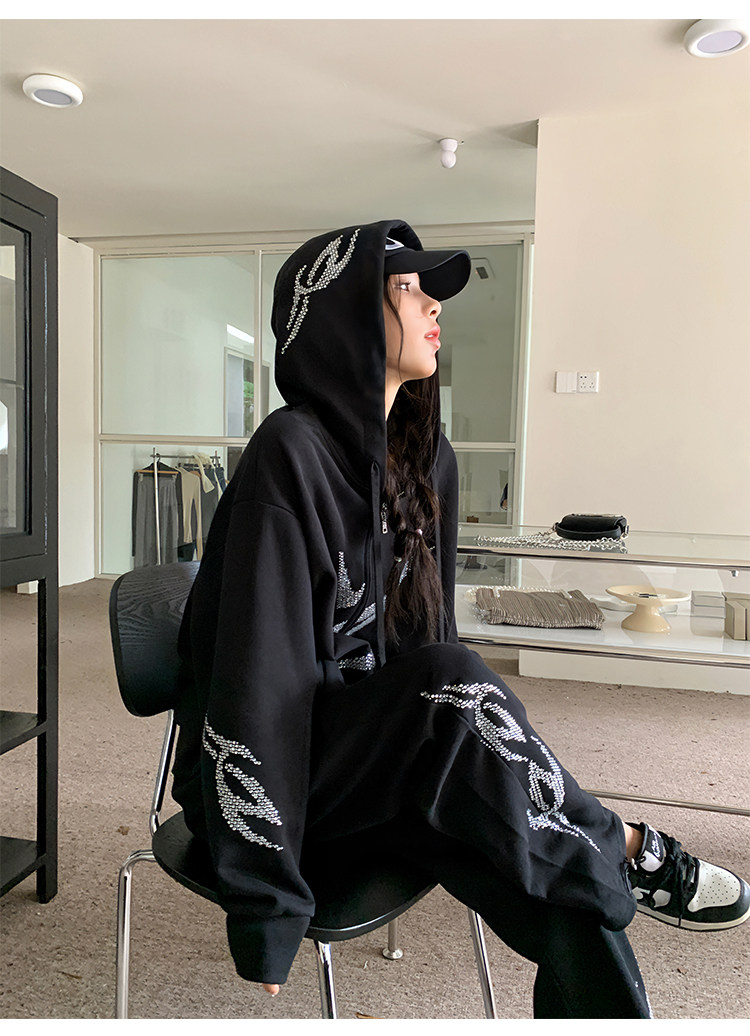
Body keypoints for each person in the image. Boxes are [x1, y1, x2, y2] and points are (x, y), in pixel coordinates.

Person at [172, 219, 749, 1018]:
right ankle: (621, 844)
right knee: (456, 687)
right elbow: (254, 677)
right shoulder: (288, 453)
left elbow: (427, 630)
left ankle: (607, 907)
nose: (434, 306)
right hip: (287, 780)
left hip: (387, 752)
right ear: (345, 314)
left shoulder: (425, 459)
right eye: (408, 289)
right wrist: (266, 902)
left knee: (554, 871)